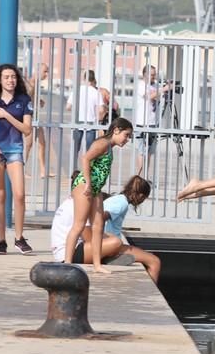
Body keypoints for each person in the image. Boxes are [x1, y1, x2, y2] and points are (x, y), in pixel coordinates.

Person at [64, 117, 133, 273]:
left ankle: (97, 265)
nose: (127, 139)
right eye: (126, 135)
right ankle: (67, 263)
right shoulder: (103, 143)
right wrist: (88, 182)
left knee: (98, 226)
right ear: (116, 130)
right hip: (84, 186)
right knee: (79, 224)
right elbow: (86, 158)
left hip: (95, 188)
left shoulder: (109, 146)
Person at [0, 64, 34, 254]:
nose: (11, 80)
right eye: (7, 77)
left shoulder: (24, 100)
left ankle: (19, 238)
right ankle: (2, 241)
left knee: (19, 194)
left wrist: (7, 115)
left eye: (13, 77)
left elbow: (27, 130)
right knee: (0, 196)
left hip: (15, 150)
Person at [103, 176, 161, 284]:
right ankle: (149, 296)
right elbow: (101, 218)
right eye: (144, 199)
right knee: (154, 261)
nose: (141, 202)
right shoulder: (122, 203)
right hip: (109, 245)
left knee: (144, 253)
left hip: (108, 244)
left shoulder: (116, 199)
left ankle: (111, 257)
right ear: (140, 195)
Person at [67, 69, 106, 169]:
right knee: (90, 151)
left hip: (77, 122)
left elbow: (68, 107)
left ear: (84, 78)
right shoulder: (95, 92)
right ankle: (87, 171)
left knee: (75, 148)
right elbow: (102, 110)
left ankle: (73, 169)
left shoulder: (77, 90)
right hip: (91, 123)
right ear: (93, 80)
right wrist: (97, 117)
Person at [134, 65, 168, 175]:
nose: (154, 77)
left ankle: (145, 175)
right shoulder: (141, 85)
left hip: (153, 123)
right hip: (142, 123)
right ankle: (139, 176)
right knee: (141, 151)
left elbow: (159, 97)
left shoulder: (157, 85)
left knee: (148, 152)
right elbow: (149, 96)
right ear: (145, 74)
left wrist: (164, 91)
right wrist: (164, 89)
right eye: (152, 75)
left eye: (155, 74)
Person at [24, 63, 56, 178]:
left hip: (35, 117)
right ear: (37, 71)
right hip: (29, 118)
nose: (47, 74)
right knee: (28, 144)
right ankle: (22, 169)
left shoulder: (36, 84)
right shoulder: (30, 83)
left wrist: (38, 100)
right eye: (45, 71)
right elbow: (25, 99)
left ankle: (43, 171)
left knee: (42, 143)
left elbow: (31, 98)